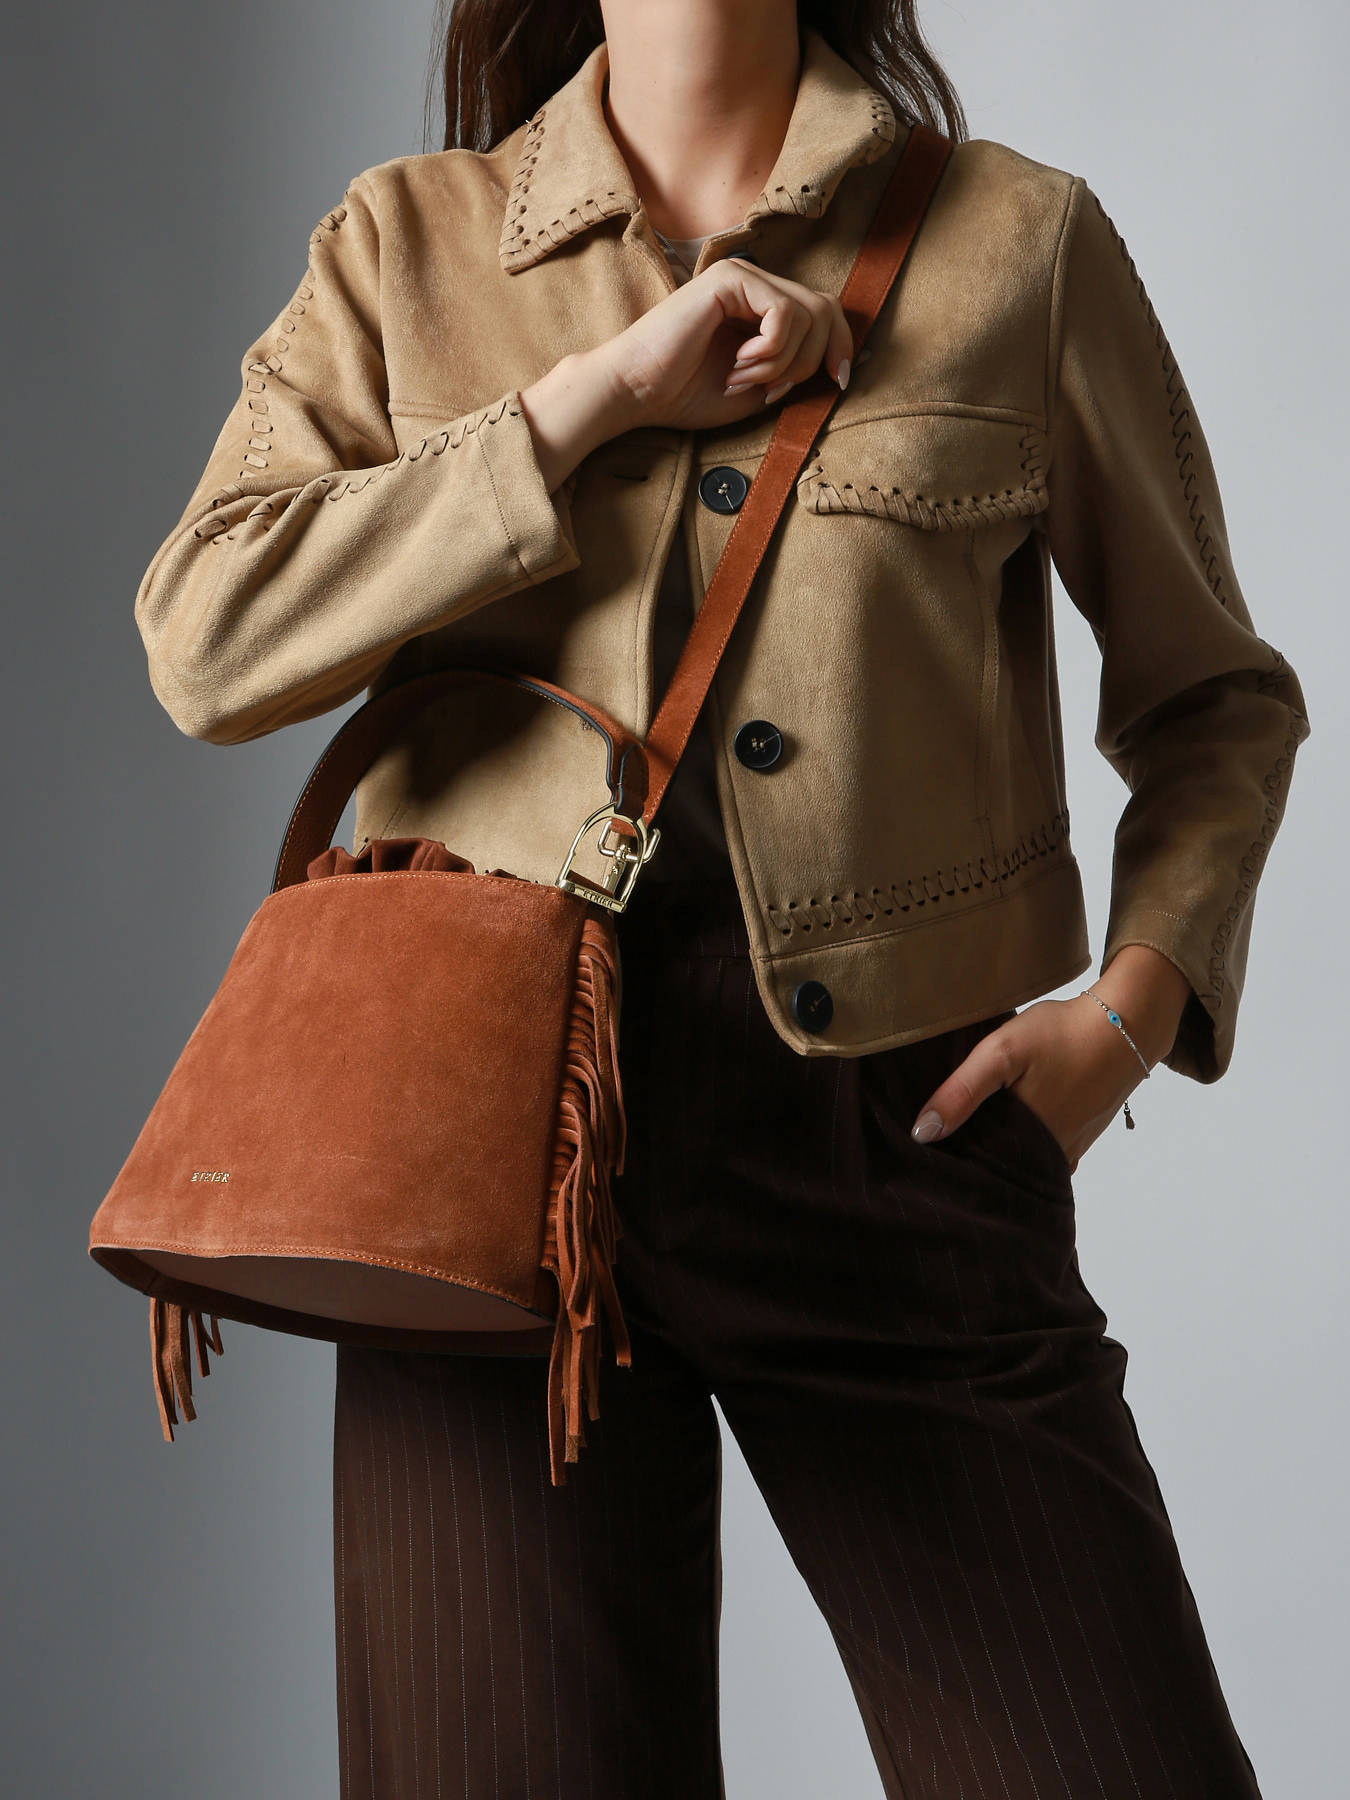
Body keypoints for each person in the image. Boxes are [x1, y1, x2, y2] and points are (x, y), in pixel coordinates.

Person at [133, 2, 1311, 1793]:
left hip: (891, 1139)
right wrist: (587, 402)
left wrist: (1125, 1015)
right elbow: (205, 646)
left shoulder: (1014, 240)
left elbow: (1214, 703)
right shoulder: (405, 246)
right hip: (482, 1160)